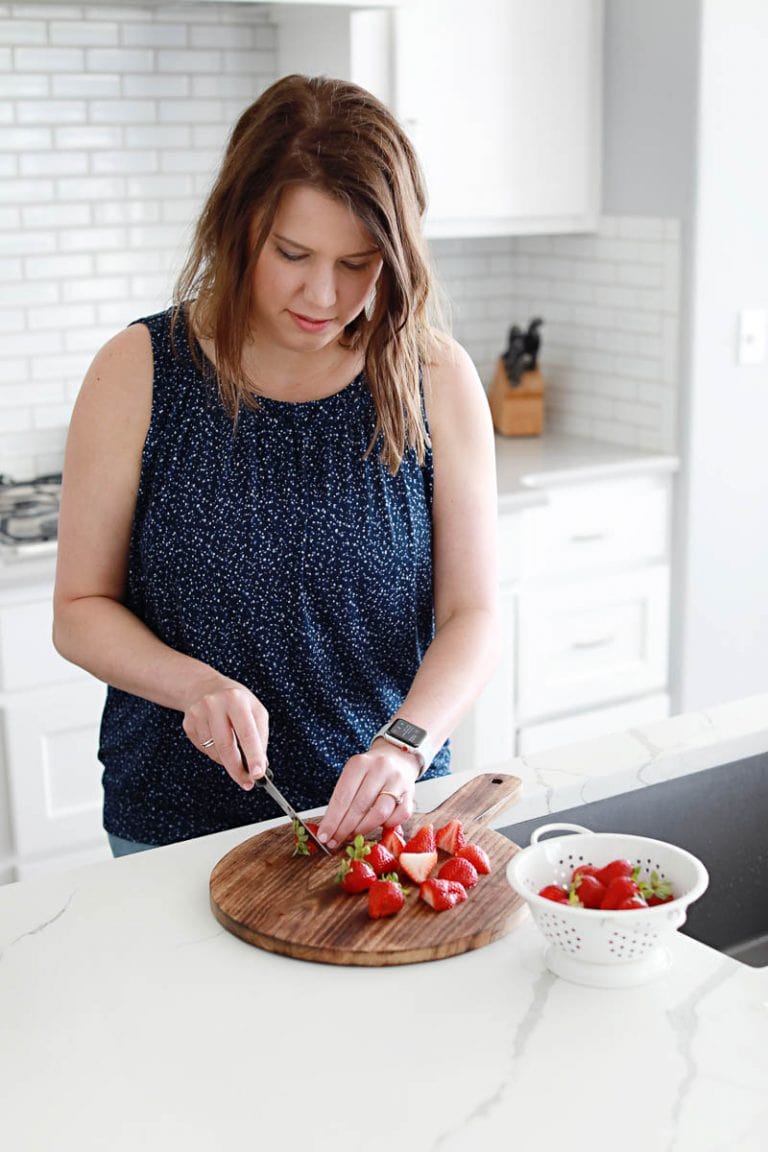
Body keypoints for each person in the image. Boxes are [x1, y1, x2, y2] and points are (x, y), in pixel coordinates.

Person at [52, 74, 499, 858]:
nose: (324, 295)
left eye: (359, 263)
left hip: (382, 824)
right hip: (172, 828)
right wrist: (192, 685)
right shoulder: (138, 371)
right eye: (293, 253)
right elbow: (80, 607)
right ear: (239, 225)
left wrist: (406, 745)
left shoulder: (435, 377)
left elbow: (474, 616)